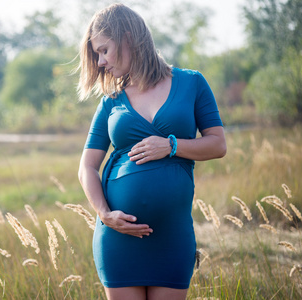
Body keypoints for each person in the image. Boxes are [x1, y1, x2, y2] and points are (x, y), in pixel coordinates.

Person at [77, 3, 226, 300]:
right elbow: (87, 167)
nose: (101, 61)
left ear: (128, 38)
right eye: (97, 54)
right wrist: (105, 215)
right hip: (119, 237)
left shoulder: (191, 83)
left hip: (172, 236)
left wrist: (171, 145)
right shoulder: (111, 101)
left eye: (104, 50)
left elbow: (218, 144)